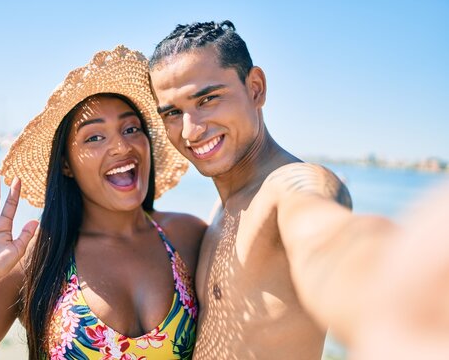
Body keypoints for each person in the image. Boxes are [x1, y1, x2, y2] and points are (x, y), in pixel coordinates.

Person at [148, 20, 449, 360]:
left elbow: (330, 243)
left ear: (256, 88)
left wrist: (404, 300)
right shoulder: (222, 211)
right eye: (173, 112)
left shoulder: (290, 186)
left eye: (208, 99)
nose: (190, 131)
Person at [0, 45, 206, 360]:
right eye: (94, 137)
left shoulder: (187, 236)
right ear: (66, 164)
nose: (121, 145)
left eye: (131, 129)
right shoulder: (39, 256)